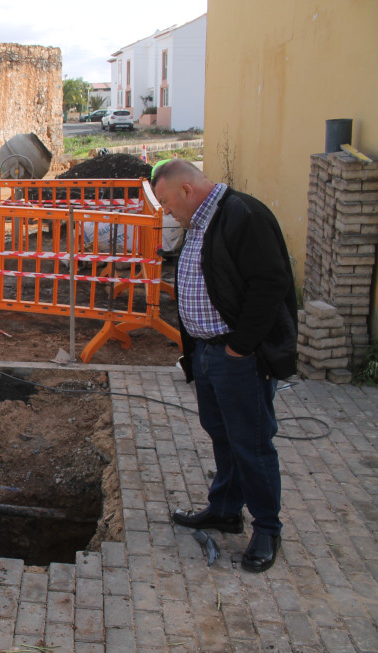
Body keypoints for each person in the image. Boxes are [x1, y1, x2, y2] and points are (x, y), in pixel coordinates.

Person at [151, 158, 297, 573]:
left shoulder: (243, 216)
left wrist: (240, 347)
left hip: (238, 357)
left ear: (186, 191)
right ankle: (226, 510)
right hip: (208, 353)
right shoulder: (199, 222)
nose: (165, 211)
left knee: (251, 443)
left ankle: (267, 528)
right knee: (222, 435)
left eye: (165, 201)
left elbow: (271, 286)